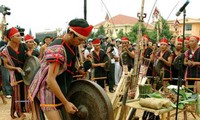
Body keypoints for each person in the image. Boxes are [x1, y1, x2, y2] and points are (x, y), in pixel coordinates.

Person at [28, 18, 93, 120]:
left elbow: (72, 65)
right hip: (47, 88)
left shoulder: (72, 44)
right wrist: (66, 103)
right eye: (80, 39)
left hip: (60, 85)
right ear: (71, 33)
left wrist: (81, 70)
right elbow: (50, 80)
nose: (81, 43)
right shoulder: (57, 49)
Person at [2, 27, 31, 119]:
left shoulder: (23, 46)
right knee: (18, 94)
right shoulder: (5, 51)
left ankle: (17, 111)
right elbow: (6, 65)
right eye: (17, 36)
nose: (20, 38)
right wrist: (15, 68)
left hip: (26, 73)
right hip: (15, 74)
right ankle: (19, 113)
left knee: (23, 93)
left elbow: (30, 57)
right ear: (11, 37)